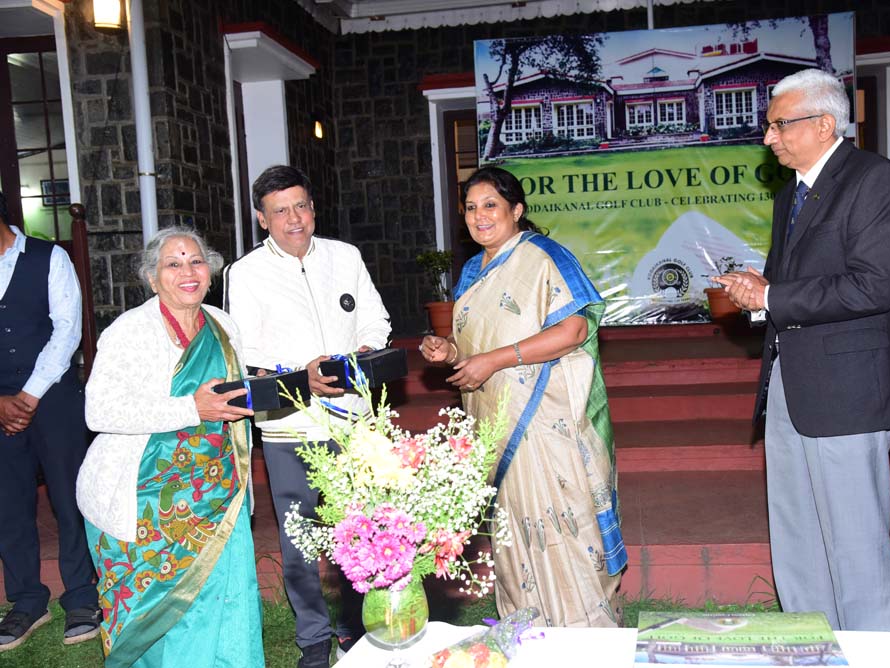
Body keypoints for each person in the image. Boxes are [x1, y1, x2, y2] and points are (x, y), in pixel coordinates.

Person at [714, 69, 890, 631]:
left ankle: (868, 649)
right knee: (795, 529)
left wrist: (772, 295)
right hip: (790, 380)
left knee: (854, 534)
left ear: (824, 124)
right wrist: (756, 294)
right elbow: (790, 286)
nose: (769, 138)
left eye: (779, 125)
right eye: (769, 126)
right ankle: (810, 641)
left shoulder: (875, 181)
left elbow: (873, 286)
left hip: (851, 389)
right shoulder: (791, 194)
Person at [419, 166, 627, 628]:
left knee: (561, 525)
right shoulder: (472, 271)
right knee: (512, 529)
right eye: (471, 208)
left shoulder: (545, 256)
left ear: (516, 210)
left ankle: (582, 635)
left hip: (545, 418)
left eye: (490, 205)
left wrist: (493, 361)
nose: (480, 216)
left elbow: (573, 329)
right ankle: (527, 631)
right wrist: (448, 351)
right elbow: (474, 347)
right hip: (496, 420)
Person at [224, 165, 391, 667]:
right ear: (262, 218)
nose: (294, 218)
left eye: (301, 206)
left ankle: (359, 627)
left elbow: (376, 318)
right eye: (280, 211)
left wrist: (365, 350)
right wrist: (303, 376)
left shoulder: (346, 256)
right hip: (288, 427)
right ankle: (314, 638)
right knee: (298, 540)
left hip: (355, 421)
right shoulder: (244, 273)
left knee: (361, 529)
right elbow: (245, 352)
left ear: (313, 208)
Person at [76, 227, 264, 666]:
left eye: (196, 261)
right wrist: (190, 408)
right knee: (157, 617)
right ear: (152, 277)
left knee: (224, 603)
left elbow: (233, 394)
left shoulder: (223, 325)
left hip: (218, 493)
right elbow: (99, 411)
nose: (188, 272)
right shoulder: (130, 331)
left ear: (210, 271)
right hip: (144, 500)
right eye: (173, 264)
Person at [0, 192, 100, 652]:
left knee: (69, 497)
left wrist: (27, 395)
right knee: (8, 504)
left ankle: (81, 595)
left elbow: (67, 329)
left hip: (53, 395)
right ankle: (26, 600)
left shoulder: (49, 257)